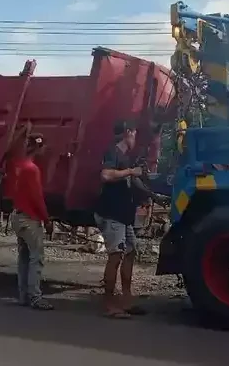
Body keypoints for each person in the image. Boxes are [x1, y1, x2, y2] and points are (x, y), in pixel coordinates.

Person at [95, 120, 154, 319]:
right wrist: (130, 172)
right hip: (112, 214)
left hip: (123, 215)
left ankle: (126, 299)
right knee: (116, 256)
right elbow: (105, 175)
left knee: (130, 252)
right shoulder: (113, 152)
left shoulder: (126, 157)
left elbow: (130, 182)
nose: (135, 138)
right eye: (134, 133)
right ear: (128, 132)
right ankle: (110, 304)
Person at [7, 133, 54, 311]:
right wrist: (47, 219)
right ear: (39, 149)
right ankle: (35, 296)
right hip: (29, 218)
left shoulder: (18, 166)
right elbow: (37, 198)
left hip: (17, 216)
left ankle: (23, 295)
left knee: (24, 257)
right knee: (36, 257)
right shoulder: (32, 169)